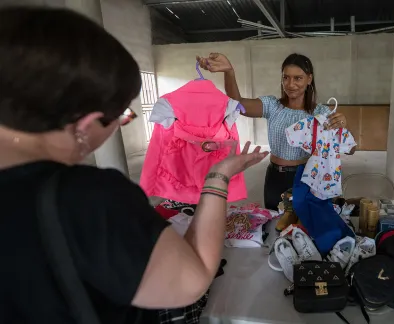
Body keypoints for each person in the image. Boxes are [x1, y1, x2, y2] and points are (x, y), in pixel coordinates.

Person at [0, 6, 268, 324]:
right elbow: (189, 281)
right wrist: (219, 174)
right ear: (85, 124)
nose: (122, 123)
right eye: (123, 117)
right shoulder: (88, 200)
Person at [196, 53, 354, 211]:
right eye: (286, 78)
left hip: (304, 176)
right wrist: (229, 72)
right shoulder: (273, 106)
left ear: (309, 79)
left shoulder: (320, 112)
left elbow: (351, 149)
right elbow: (237, 104)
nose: (291, 84)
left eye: (298, 78)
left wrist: (343, 126)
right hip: (274, 176)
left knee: (301, 223)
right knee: (273, 220)